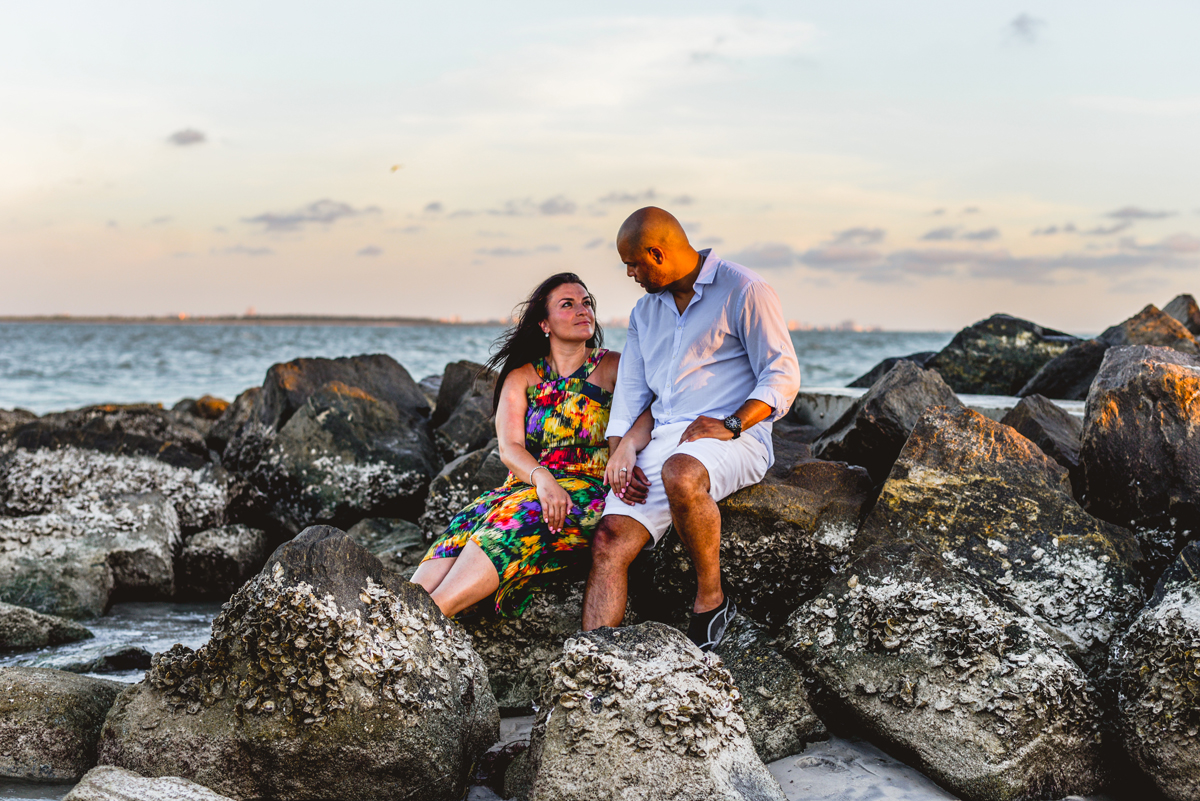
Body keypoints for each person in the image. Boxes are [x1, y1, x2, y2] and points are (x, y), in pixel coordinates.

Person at [582, 207, 801, 650]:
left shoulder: (744, 289)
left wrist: (733, 422)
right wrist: (620, 451)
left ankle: (710, 600)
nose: (629, 273)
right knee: (607, 540)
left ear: (658, 254)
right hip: (662, 438)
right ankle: (592, 666)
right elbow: (631, 394)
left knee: (681, 472)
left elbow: (782, 373)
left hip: (733, 437)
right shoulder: (645, 312)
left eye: (633, 263)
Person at [412, 273, 651, 618]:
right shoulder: (522, 377)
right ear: (544, 323)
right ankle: (402, 610)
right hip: (531, 485)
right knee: (470, 520)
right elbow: (509, 448)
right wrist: (543, 479)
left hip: (588, 492)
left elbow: (653, 411)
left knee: (519, 516)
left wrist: (628, 446)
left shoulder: (614, 366)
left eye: (586, 303)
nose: (583, 310)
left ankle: (429, 618)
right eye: (567, 305)